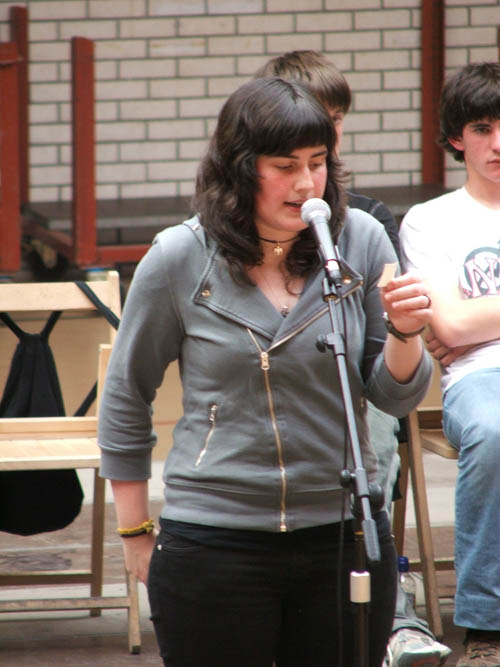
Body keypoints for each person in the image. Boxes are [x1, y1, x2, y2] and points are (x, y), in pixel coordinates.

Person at [98, 76, 433, 667]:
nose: (306, 184)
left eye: (317, 162)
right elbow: (126, 394)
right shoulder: (179, 256)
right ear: (239, 168)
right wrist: (134, 534)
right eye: (285, 166)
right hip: (215, 536)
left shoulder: (358, 241)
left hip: (344, 531)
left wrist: (405, 333)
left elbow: (393, 396)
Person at [255, 50, 451, 667]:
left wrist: (407, 327)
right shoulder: (236, 221)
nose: (329, 136)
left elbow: (386, 344)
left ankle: (394, 612)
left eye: (335, 122)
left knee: (372, 425)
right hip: (272, 399)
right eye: (316, 120)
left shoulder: (366, 219)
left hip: (358, 391)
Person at [400, 61, 500, 667]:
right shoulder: (431, 220)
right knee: (494, 431)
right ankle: (486, 624)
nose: (499, 144)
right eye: (483, 129)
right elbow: (453, 329)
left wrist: (474, 316)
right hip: (480, 377)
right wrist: (463, 322)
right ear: (457, 138)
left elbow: (466, 319)